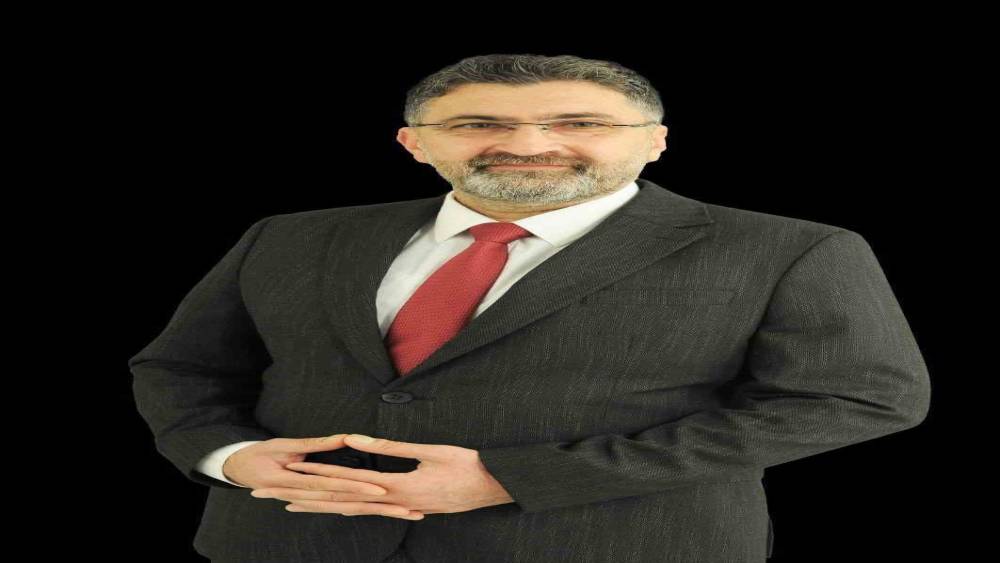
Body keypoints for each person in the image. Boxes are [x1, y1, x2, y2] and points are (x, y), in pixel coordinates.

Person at [129, 54, 930, 563]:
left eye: (580, 123)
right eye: (478, 123)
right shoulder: (292, 235)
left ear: (655, 140)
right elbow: (181, 368)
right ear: (414, 142)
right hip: (284, 543)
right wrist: (226, 456)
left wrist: (513, 478)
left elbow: (862, 397)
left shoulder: (790, 247)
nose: (529, 144)